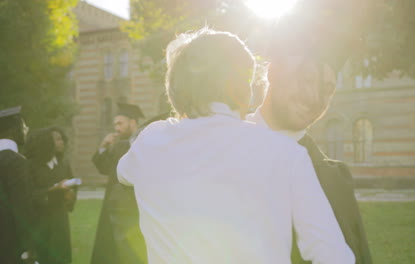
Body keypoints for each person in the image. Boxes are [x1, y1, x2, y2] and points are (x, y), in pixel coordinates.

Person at [117, 28, 354, 264]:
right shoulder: (286, 153)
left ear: (176, 87)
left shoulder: (151, 141)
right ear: (241, 89)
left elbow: (123, 174)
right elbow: (332, 253)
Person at [246, 49, 372, 264]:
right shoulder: (218, 144)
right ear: (273, 72)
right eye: (306, 79)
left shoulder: (332, 178)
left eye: (327, 89)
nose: (314, 98)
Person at [91, 103, 147, 264]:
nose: (116, 128)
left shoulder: (139, 142)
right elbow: (105, 168)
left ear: (132, 122)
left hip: (132, 203)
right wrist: (103, 147)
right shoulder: (120, 145)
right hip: (116, 201)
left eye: (120, 123)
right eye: (115, 124)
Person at [25, 127, 75, 264]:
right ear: (46, 142)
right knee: (42, 256)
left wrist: (70, 197)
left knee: (61, 255)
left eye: (62, 138)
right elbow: (28, 194)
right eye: (58, 139)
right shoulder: (30, 166)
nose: (62, 142)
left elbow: (72, 188)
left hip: (60, 220)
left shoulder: (64, 165)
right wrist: (52, 190)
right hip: (40, 220)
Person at [0, 106, 36, 264]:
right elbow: (22, 206)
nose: (26, 130)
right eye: (23, 126)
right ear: (13, 130)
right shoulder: (17, 162)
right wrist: (28, 246)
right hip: (9, 242)